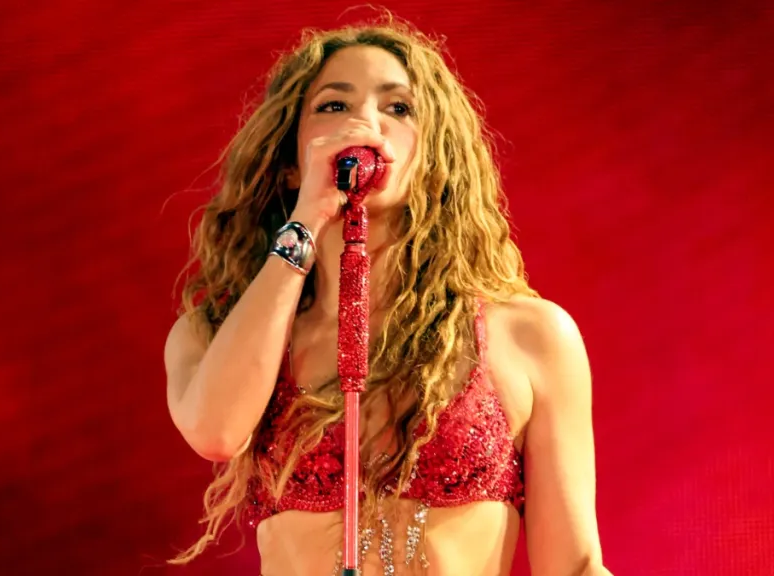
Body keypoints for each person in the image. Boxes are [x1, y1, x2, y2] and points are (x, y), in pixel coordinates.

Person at [164, 14, 611, 576]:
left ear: (434, 155)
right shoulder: (215, 332)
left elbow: (573, 565)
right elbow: (216, 431)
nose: (366, 123)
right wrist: (309, 218)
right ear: (289, 164)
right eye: (334, 105)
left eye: (398, 108)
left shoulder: (529, 335)